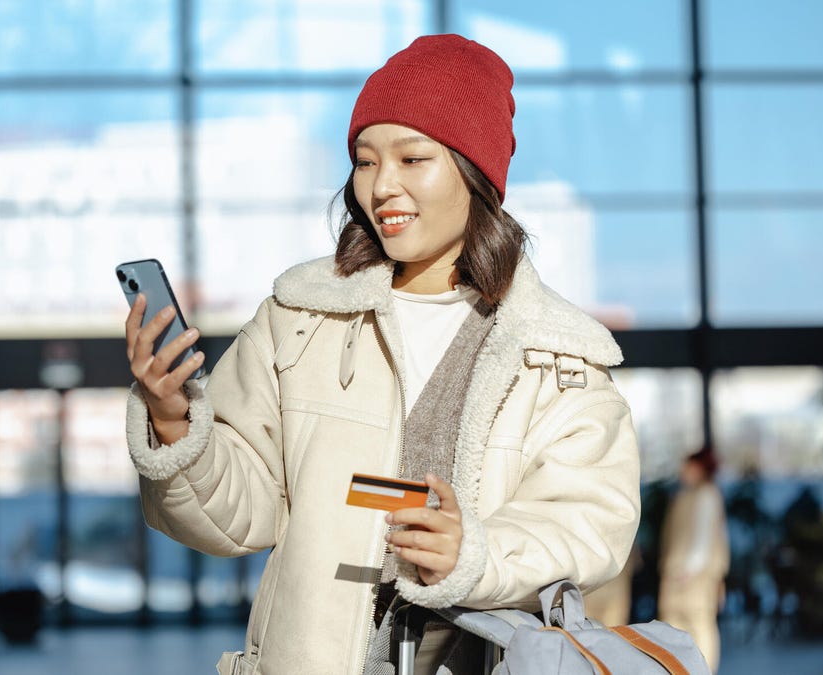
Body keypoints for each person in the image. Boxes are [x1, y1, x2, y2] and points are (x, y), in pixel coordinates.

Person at [124, 34, 641, 674]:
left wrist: (476, 553)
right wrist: (174, 420)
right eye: (365, 162)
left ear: (475, 173)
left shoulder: (556, 355)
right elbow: (238, 517)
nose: (382, 187)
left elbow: (591, 525)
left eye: (412, 158)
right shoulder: (299, 319)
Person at [658, 447, 730, 673]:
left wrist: (690, 568)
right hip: (678, 574)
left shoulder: (707, 494)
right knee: (674, 627)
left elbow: (704, 536)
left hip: (692, 577)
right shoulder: (684, 496)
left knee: (699, 626)